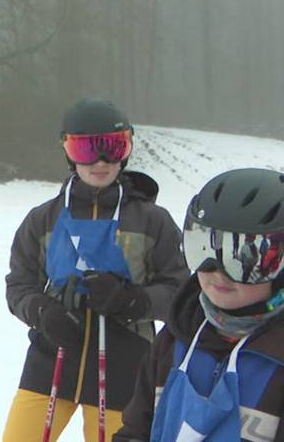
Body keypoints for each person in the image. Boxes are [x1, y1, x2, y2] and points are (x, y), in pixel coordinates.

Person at [3, 98, 189, 442]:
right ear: (68, 151)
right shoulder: (43, 218)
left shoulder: (152, 220)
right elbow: (19, 285)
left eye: (113, 148)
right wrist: (43, 312)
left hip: (125, 367)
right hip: (52, 359)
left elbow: (180, 291)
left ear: (127, 150)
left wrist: (131, 301)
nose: (100, 162)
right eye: (86, 149)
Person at [114, 168, 284, 442]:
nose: (217, 272)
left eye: (243, 258)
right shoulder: (175, 337)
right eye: (204, 249)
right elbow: (136, 430)